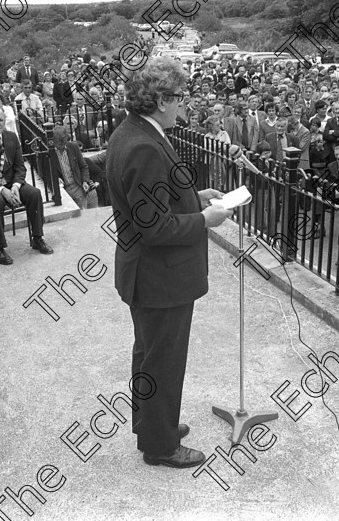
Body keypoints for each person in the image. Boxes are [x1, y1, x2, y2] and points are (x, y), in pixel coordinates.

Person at [105, 58, 230, 468]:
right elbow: (155, 227)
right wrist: (203, 220)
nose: (183, 105)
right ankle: (160, 446)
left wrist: (196, 197)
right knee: (163, 362)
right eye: (178, 98)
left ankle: (153, 425)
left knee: (149, 355)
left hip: (148, 276)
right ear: (160, 100)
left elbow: (154, 200)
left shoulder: (134, 131)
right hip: (160, 278)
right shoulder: (143, 144)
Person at [0, 107, 53, 265]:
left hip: (11, 183)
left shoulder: (11, 137)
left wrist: (16, 186)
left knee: (34, 193)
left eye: (1, 120)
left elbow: (20, 167)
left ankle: (37, 238)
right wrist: (1, 189)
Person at [50, 125, 97, 209]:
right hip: (63, 190)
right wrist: (55, 178)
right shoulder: (50, 152)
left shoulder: (73, 147)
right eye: (58, 144)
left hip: (77, 186)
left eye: (63, 143)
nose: (61, 146)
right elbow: (46, 171)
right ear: (54, 141)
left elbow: (83, 166)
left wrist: (85, 181)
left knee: (83, 215)